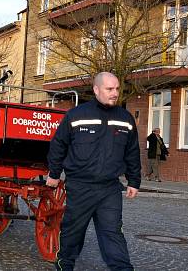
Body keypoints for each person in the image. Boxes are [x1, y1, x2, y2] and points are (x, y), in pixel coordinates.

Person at [47, 72, 141, 271]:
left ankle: (123, 268)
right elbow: (58, 145)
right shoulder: (76, 115)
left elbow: (132, 151)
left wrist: (134, 180)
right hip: (80, 186)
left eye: (117, 89)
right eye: (109, 89)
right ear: (96, 90)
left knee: (112, 232)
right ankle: (65, 264)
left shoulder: (125, 118)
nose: (115, 93)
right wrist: (54, 174)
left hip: (109, 189)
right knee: (73, 231)